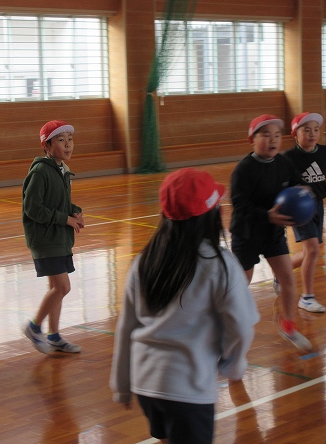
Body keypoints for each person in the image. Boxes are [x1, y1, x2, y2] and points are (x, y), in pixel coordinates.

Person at [110, 168, 259, 444]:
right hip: (188, 391)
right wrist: (233, 366)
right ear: (211, 215)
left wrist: (121, 384)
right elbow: (241, 327)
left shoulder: (144, 261)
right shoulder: (220, 264)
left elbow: (126, 326)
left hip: (146, 385)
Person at [229, 114, 312, 351]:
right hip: (246, 235)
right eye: (266, 135)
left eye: (276, 135)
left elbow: (297, 184)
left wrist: (304, 191)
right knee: (240, 285)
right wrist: (267, 215)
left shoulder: (284, 163)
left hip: (273, 234)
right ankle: (228, 328)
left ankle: (289, 326)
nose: (273, 140)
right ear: (252, 140)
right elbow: (240, 206)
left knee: (288, 280)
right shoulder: (243, 170)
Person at [22, 120, 84, 354]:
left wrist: (74, 211)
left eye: (70, 140)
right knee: (62, 287)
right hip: (46, 239)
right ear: (47, 146)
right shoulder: (40, 172)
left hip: (58, 237)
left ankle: (54, 336)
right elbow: (32, 208)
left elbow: (59, 202)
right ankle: (33, 327)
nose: (68, 145)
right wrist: (64, 219)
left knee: (55, 288)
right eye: (61, 140)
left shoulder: (61, 170)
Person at [283, 112, 326, 313]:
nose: (312, 134)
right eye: (307, 130)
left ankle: (282, 270)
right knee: (313, 250)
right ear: (295, 134)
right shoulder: (289, 157)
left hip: (318, 206)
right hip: (299, 209)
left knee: (308, 252)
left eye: (316, 130)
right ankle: (307, 298)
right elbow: (281, 185)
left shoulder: (325, 152)